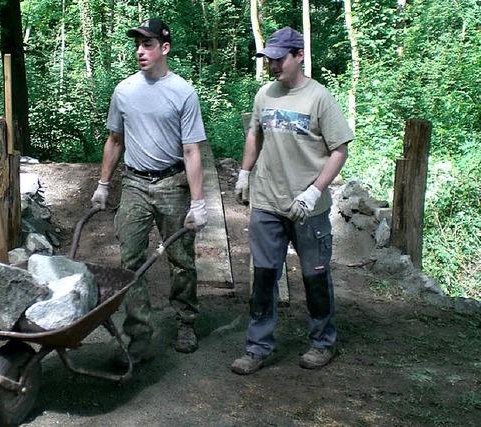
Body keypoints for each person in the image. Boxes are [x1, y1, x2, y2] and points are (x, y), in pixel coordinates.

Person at [231, 27, 353, 374]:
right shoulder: (265, 95)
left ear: (298, 55)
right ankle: (257, 347)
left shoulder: (319, 98)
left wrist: (315, 190)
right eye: (268, 60)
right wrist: (244, 172)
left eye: (278, 59)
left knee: (315, 276)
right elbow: (255, 134)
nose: (272, 66)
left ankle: (322, 343)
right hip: (267, 200)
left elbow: (339, 150)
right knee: (264, 275)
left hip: (307, 207)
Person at [91, 18, 208, 365]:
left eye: (148, 45)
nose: (140, 51)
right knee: (130, 262)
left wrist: (198, 203)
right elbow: (114, 140)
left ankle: (186, 322)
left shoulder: (183, 92)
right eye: (138, 45)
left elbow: (192, 151)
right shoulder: (124, 91)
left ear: (164, 48)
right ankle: (139, 333)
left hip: (173, 184)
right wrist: (102, 185)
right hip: (135, 184)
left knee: (181, 259)